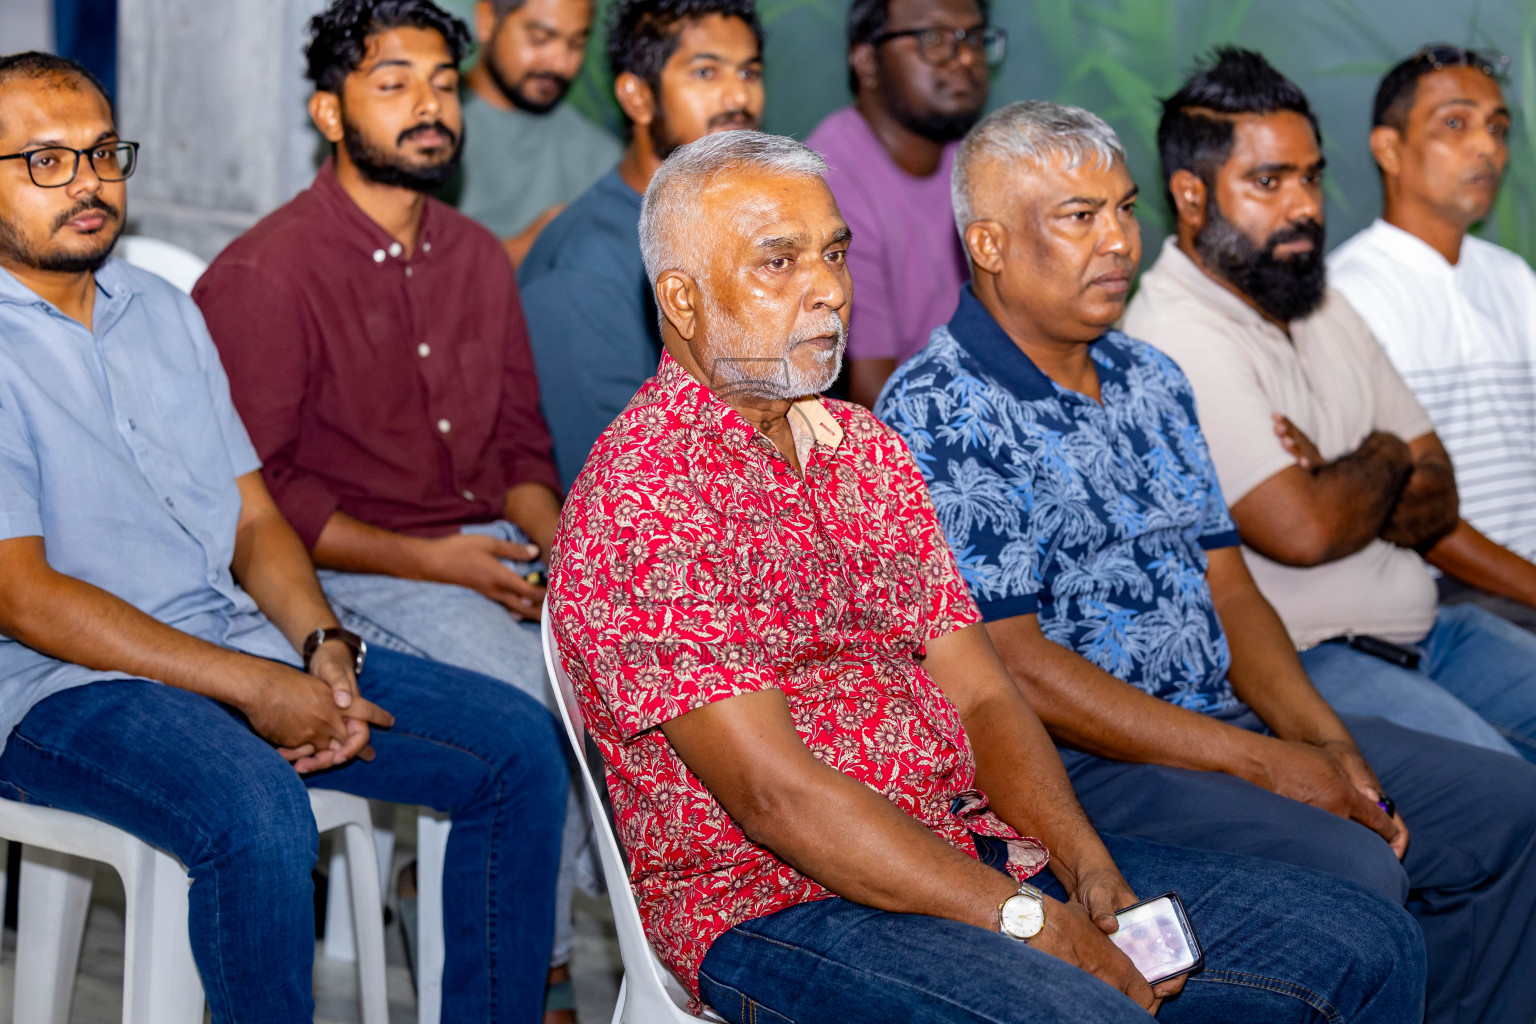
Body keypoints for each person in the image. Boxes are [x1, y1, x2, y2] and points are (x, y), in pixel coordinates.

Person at [549, 129, 1429, 1024]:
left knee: (1363, 942)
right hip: (776, 902)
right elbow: (779, 800)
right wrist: (1029, 924)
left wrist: (1087, 873)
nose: (829, 289)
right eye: (780, 261)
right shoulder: (645, 499)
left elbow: (982, 697)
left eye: (836, 252)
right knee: (1084, 1012)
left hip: (967, 845)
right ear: (683, 301)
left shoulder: (864, 452)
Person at [878, 98, 1536, 1024]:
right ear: (986, 244)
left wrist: (1326, 744)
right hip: (1082, 763)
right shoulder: (939, 408)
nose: (1118, 241)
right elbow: (1013, 666)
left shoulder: (1150, 376)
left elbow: (1231, 590)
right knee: (1350, 866)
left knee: (1504, 804)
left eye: (1123, 208)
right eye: (1079, 217)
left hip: (1216, 722)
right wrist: (1264, 765)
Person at [0, 50, 565, 1024]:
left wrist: (320, 646)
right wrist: (256, 686)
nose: (88, 182)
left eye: (102, 153)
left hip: (238, 643)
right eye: (44, 162)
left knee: (517, 745)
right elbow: (25, 596)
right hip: (61, 686)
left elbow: (256, 516)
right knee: (259, 810)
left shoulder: (163, 313)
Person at [189, 2, 582, 1016]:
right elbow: (255, 499)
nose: (429, 106)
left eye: (444, 83)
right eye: (393, 82)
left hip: (487, 549)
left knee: (633, 660)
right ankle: (535, 972)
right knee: (543, 709)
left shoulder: (477, 259)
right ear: (329, 111)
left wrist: (566, 554)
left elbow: (518, 453)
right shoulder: (267, 273)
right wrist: (445, 563)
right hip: (349, 576)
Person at [1121, 47, 1536, 764]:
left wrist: (1342, 473)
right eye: (1269, 180)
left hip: (1431, 628)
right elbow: (1303, 530)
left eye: (1310, 176)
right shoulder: (1173, 333)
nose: (1305, 204)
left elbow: (1438, 497)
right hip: (1311, 659)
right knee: (1511, 792)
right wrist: (1386, 450)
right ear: (1191, 196)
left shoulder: (1318, 298)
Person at [1330, 47, 1536, 630]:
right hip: (1454, 598)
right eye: (1456, 123)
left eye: (1498, 128)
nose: (1487, 147)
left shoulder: (1512, 277)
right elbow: (1408, 513)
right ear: (1389, 149)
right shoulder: (1347, 295)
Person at [518, 0, 763, 488]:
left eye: (749, 72)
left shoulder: (741, 228)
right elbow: (613, 485)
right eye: (705, 72)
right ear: (637, 97)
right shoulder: (585, 263)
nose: (739, 96)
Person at [807, 0, 997, 408]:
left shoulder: (979, 161)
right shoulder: (826, 186)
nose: (965, 57)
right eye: (932, 38)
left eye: (974, 38)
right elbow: (873, 396)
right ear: (867, 60)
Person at [446, 0, 621, 268]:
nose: (561, 64)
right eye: (540, 39)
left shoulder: (602, 158)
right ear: (487, 20)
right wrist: (512, 253)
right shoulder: (428, 133)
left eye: (576, 44)